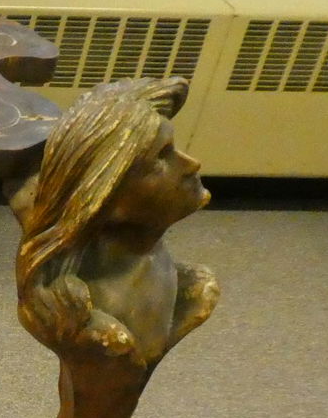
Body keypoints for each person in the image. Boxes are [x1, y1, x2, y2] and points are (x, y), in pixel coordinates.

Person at [13, 76, 218, 366]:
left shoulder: (156, 269)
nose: (191, 164)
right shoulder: (112, 320)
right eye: (161, 157)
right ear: (108, 200)